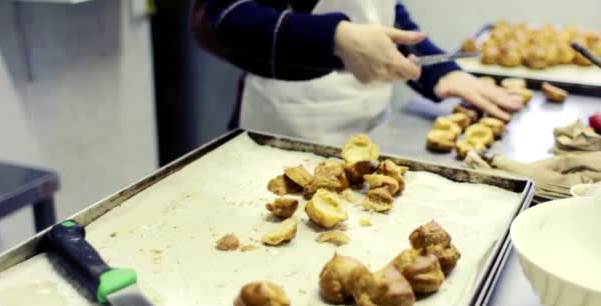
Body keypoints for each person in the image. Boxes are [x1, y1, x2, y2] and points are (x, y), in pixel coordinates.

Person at [191, 0, 522, 144]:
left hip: (372, 126)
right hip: (287, 127)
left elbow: (381, 11)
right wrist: (334, 38)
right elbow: (216, 18)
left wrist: (441, 71)